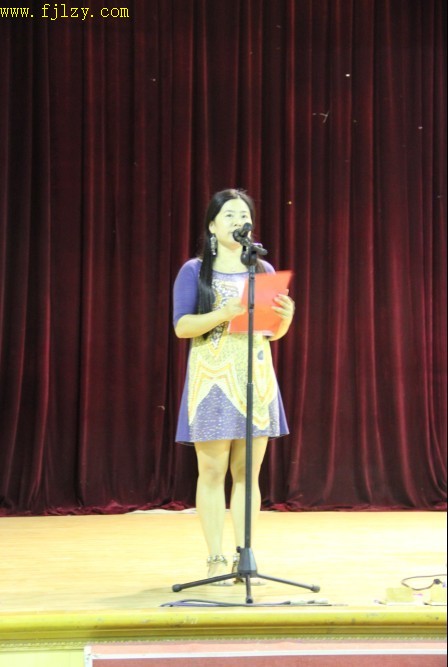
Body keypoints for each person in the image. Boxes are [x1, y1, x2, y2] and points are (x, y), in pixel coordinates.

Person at [173, 189, 295, 585]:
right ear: (212, 226)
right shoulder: (194, 271)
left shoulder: (262, 269)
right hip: (211, 379)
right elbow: (182, 327)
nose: (238, 220)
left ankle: (246, 557)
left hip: (255, 378)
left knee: (247, 474)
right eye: (228, 215)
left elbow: (271, 333)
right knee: (211, 471)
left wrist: (286, 318)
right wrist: (223, 313)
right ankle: (215, 557)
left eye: (244, 214)